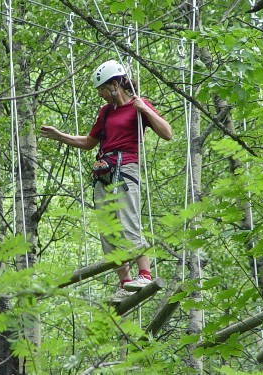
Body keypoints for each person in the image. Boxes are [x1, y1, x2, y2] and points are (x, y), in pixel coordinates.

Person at [41, 60, 172, 303]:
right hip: (104, 169)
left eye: (102, 88)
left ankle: (144, 274)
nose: (100, 93)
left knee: (127, 220)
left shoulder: (138, 106)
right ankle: (125, 283)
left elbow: (167, 133)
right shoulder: (105, 112)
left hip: (127, 167)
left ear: (115, 84)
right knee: (108, 228)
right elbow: (89, 143)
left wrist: (146, 111)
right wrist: (60, 136)